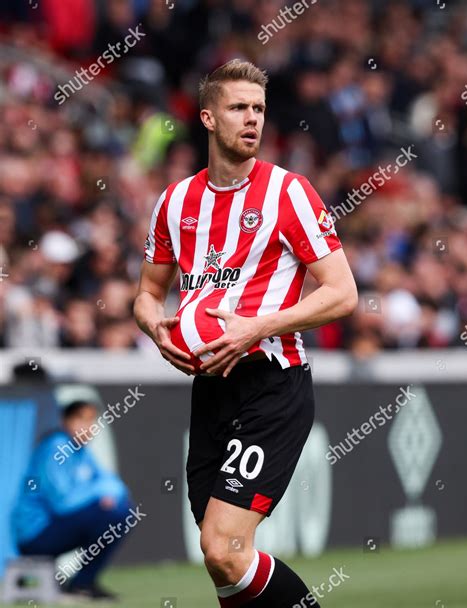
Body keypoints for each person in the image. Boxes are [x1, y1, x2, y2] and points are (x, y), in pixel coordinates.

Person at [134, 59, 358, 607]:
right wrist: (155, 330)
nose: (252, 119)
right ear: (208, 118)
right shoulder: (176, 203)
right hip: (211, 387)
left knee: (224, 546)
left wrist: (257, 327)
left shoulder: (290, 193)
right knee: (220, 562)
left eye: (258, 108)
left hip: (273, 385)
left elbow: (342, 293)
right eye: (239, 108)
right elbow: (145, 294)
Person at [12, 400, 133, 602]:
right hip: (34, 535)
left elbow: (113, 484)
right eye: (81, 420)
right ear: (65, 421)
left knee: (122, 512)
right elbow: (63, 502)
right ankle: (81, 585)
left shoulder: (82, 451)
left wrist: (107, 494)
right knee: (114, 515)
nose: (88, 427)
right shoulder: (55, 448)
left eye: (92, 421)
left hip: (56, 528)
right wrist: (101, 495)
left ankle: (83, 583)